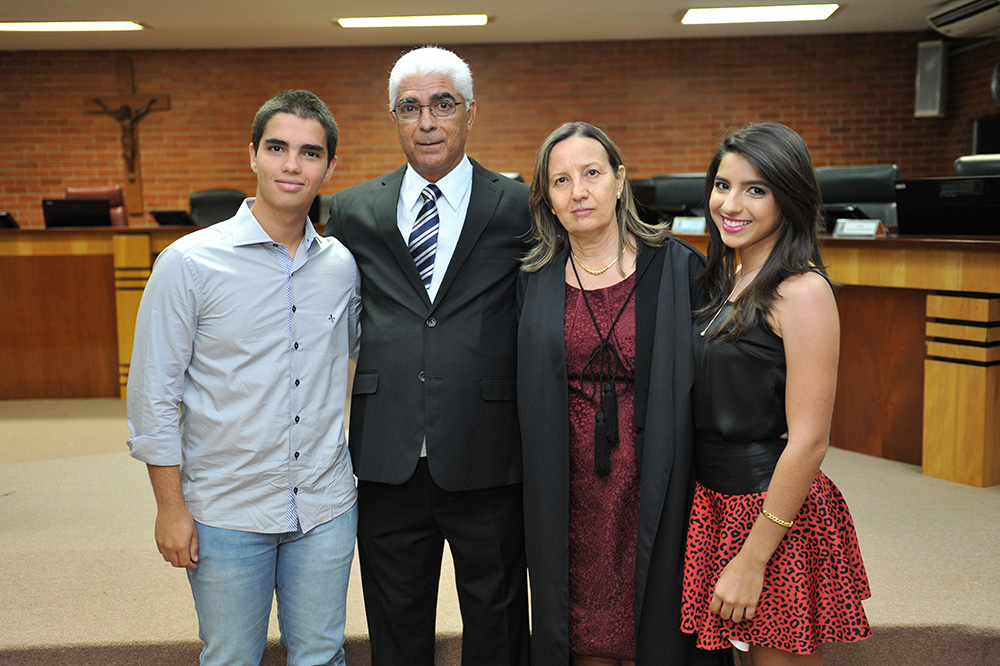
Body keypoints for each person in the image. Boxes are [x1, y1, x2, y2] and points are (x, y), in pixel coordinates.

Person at [126, 89, 360, 666]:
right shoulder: (187, 263)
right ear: (252, 154)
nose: (291, 165)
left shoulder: (341, 266)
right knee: (231, 656)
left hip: (324, 506)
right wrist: (170, 508)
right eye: (277, 148)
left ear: (329, 167)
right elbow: (152, 396)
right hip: (226, 511)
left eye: (309, 153)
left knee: (322, 654)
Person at [324, 46, 531, 666]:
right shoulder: (353, 211)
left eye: (443, 104)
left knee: (497, 623)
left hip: (487, 449)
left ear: (470, 112)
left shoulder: (520, 206)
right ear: (394, 117)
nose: (427, 122)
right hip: (387, 453)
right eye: (410, 107)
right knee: (395, 623)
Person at [517, 121, 733, 666]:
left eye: (591, 173)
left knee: (656, 619)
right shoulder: (534, 278)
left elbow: (716, 378)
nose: (579, 192)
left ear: (619, 180)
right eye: (561, 181)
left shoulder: (679, 268)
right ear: (547, 198)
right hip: (567, 482)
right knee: (581, 629)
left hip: (656, 474)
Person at [679, 122, 871, 665]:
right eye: (722, 185)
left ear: (789, 198)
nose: (730, 204)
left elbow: (809, 440)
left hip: (769, 511)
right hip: (715, 504)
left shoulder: (802, 292)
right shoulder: (728, 279)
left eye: (755, 190)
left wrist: (754, 558)